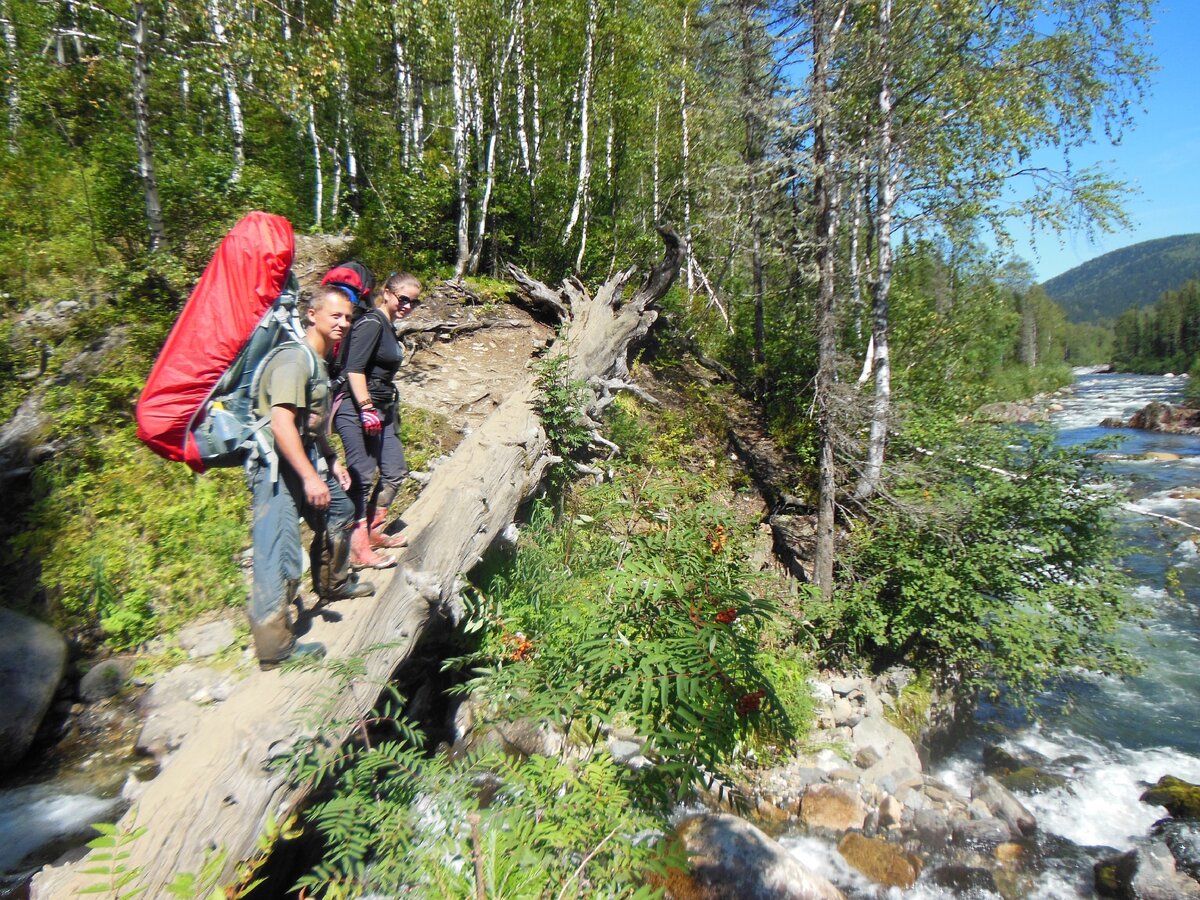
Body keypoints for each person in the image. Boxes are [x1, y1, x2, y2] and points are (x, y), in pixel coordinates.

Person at [246, 284, 376, 669]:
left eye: (348, 318)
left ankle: (333, 582)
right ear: (311, 316)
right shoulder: (293, 361)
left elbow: (312, 426)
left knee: (340, 510)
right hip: (276, 468)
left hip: (304, 459)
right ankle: (275, 649)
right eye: (335, 315)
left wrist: (332, 460)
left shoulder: (317, 362)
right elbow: (283, 425)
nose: (343, 323)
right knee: (278, 555)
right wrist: (310, 477)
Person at [333, 271, 422, 568]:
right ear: (387, 293)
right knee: (362, 475)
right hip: (357, 408)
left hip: (383, 410)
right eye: (404, 299)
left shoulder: (388, 326)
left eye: (415, 302)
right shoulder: (371, 323)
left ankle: (372, 532)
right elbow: (354, 369)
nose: (408, 305)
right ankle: (356, 550)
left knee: (395, 470)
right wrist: (367, 406)